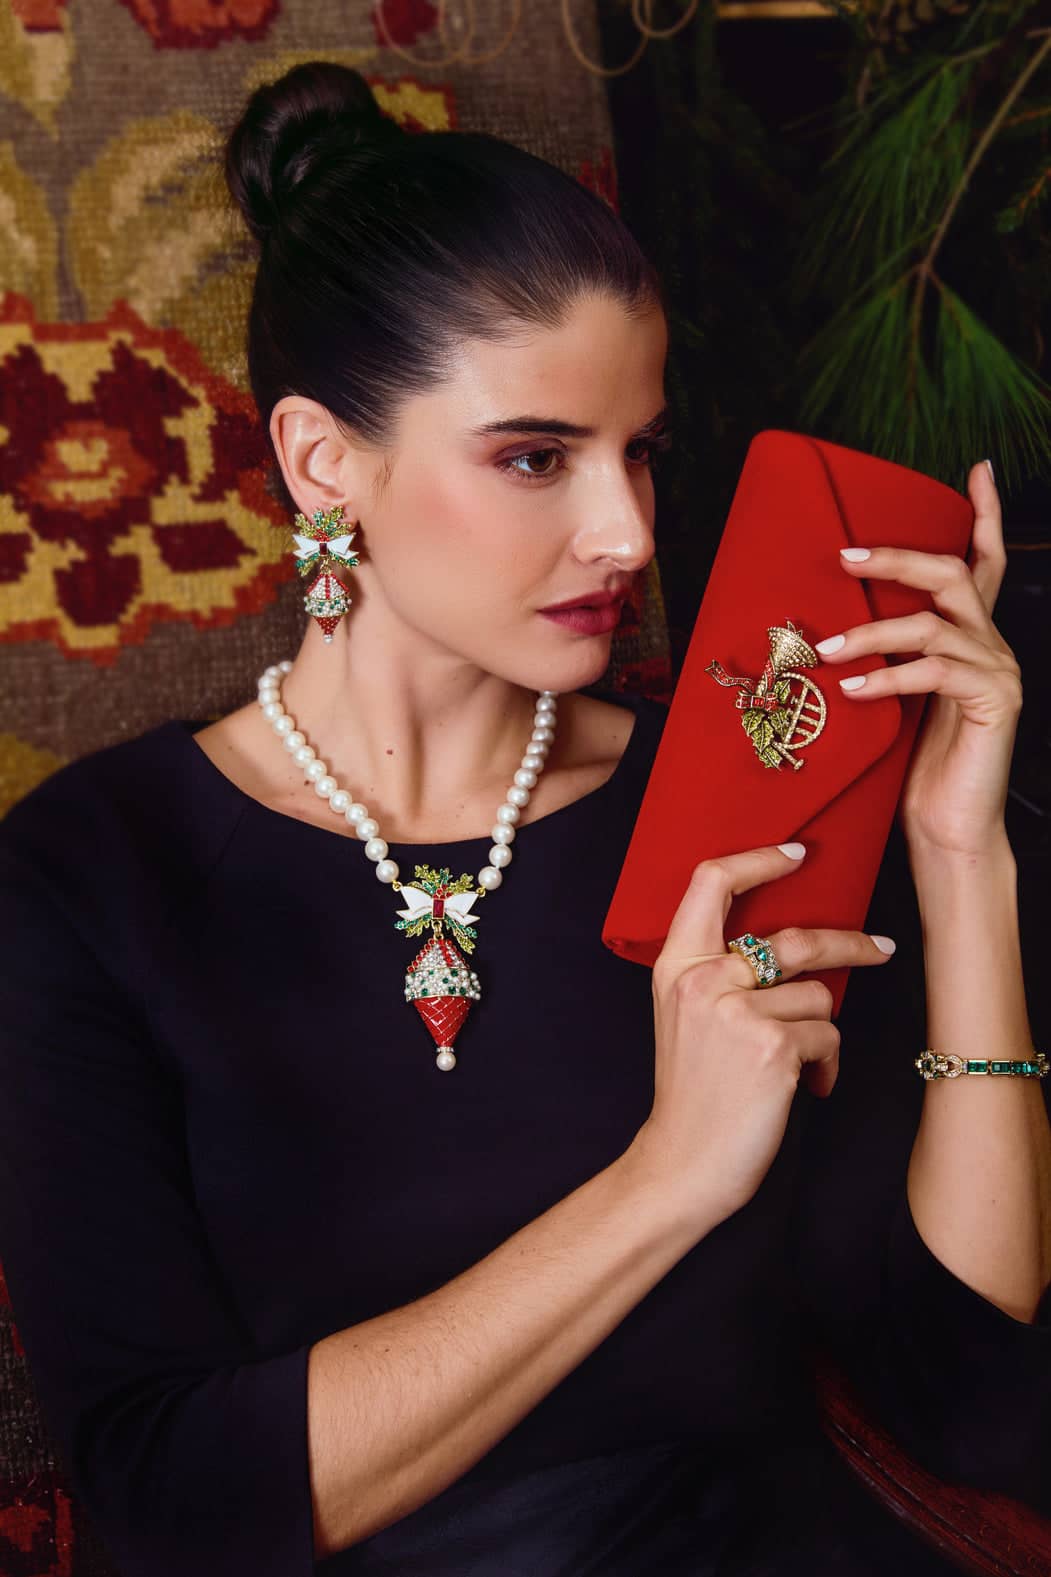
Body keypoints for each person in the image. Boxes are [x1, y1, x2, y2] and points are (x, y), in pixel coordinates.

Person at [0, 60, 1048, 1577]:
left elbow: (968, 1392)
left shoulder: (729, 794)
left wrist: (959, 857)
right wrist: (668, 1177)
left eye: (640, 452)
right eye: (536, 457)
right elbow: (175, 1502)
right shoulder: (91, 877)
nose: (625, 533)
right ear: (322, 461)